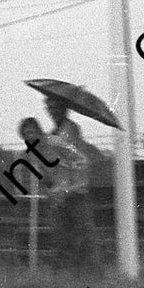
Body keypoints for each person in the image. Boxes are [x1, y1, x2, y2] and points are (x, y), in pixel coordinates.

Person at [33, 95, 97, 272]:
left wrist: (74, 185)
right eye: (50, 108)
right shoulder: (51, 135)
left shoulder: (72, 130)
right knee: (60, 237)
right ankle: (64, 274)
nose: (53, 112)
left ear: (64, 109)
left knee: (81, 235)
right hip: (58, 193)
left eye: (56, 108)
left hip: (75, 191)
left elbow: (78, 159)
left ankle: (86, 272)